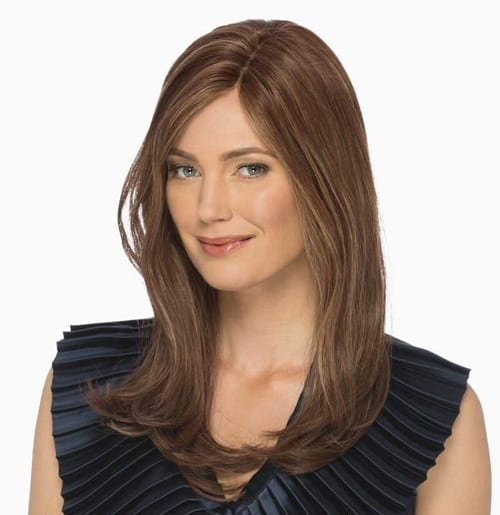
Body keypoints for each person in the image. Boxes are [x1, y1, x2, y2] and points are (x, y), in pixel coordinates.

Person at [29, 19, 491, 514]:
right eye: (185, 169)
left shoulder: (429, 416)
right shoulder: (89, 389)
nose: (209, 208)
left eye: (250, 168)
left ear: (325, 177)